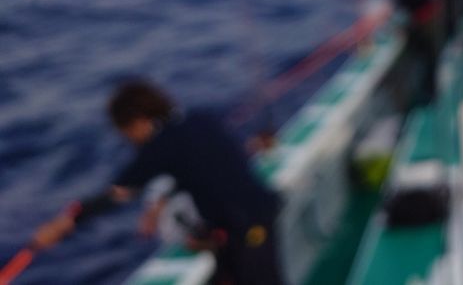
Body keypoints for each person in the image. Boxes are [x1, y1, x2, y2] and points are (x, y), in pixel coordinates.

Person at [33, 81, 285, 285]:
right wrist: (160, 204)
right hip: (248, 219)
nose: (130, 140)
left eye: (126, 132)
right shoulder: (199, 119)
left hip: (247, 227)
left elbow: (118, 195)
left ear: (139, 122)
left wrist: (65, 223)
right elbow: (202, 170)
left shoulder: (160, 146)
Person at [388, 0, 441, 106]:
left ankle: (430, 98)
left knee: (427, 62)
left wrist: (396, 5)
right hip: (422, 19)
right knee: (427, 61)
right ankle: (429, 95)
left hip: (423, 21)